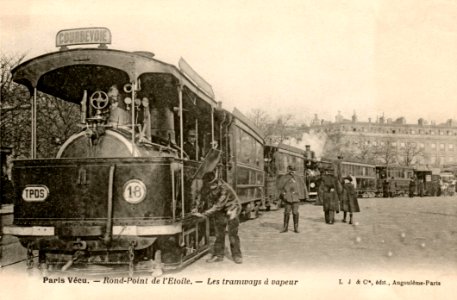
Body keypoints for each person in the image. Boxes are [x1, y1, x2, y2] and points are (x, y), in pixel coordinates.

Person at [193, 171, 242, 264]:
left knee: (232, 234)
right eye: (208, 185)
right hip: (220, 211)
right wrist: (196, 208)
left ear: (215, 182)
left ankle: (237, 256)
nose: (210, 188)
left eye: (212, 186)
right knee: (219, 233)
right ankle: (218, 255)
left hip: (232, 208)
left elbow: (218, 205)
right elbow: (201, 197)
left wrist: (204, 214)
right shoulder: (206, 185)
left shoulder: (224, 188)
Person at [278, 165, 301, 233]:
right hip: (287, 198)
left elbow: (301, 187)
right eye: (291, 170)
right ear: (288, 170)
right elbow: (280, 187)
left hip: (295, 198)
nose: (292, 172)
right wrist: (283, 194)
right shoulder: (284, 177)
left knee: (295, 212)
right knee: (287, 212)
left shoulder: (298, 178)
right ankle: (285, 227)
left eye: (293, 170)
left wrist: (298, 194)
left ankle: (296, 228)